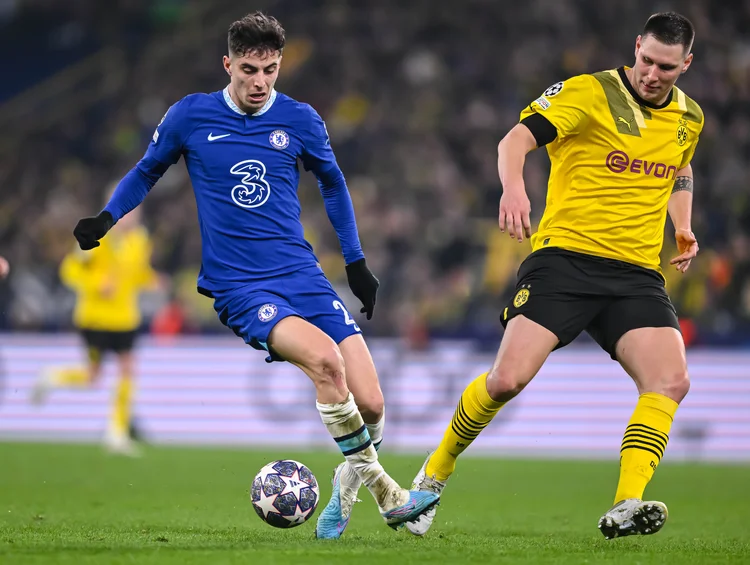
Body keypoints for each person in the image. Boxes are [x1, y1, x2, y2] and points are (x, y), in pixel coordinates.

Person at [71, 12, 438, 537]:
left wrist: (355, 263)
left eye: (270, 70)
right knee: (326, 364)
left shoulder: (301, 119)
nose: (260, 82)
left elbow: (333, 185)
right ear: (228, 64)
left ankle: (348, 486)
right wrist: (107, 218)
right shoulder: (190, 116)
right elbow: (147, 170)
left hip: (302, 273)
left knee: (373, 401)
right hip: (239, 285)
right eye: (249, 69)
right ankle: (389, 494)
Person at [407, 12, 702, 540]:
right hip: (565, 261)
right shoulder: (588, 93)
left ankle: (626, 503)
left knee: (671, 380)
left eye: (666, 67)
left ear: (686, 64)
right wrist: (514, 189)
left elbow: (681, 169)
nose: (652, 74)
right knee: (506, 380)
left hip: (635, 273)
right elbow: (513, 141)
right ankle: (435, 472)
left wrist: (682, 225)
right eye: (646, 60)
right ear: (635, 47)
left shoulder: (690, 117)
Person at [32, 206, 158, 456]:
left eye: (136, 213)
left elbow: (137, 273)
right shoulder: (96, 237)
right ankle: (53, 376)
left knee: (128, 369)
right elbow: (69, 270)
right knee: (93, 375)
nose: (132, 217)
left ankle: (116, 433)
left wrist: (152, 280)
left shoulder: (141, 240)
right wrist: (96, 284)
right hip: (95, 318)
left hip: (125, 318)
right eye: (129, 211)